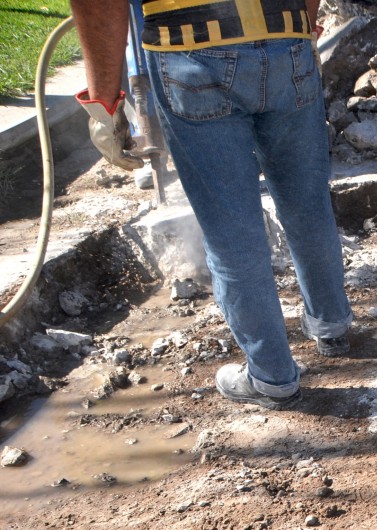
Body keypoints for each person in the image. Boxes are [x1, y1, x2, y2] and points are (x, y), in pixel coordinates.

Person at [69, 0, 353, 410]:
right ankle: (331, 324)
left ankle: (272, 377)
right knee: (306, 203)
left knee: (231, 229)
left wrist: (103, 105)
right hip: (286, 38)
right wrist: (302, 24)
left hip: (191, 50)